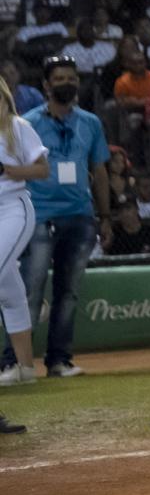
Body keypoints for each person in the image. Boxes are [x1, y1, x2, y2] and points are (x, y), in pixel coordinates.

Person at [1, 56, 109, 379]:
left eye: (71, 77)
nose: (67, 83)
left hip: (79, 214)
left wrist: (104, 215)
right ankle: (14, 362)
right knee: (30, 288)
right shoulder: (27, 121)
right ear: (46, 86)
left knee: (68, 293)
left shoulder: (90, 122)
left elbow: (99, 169)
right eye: (59, 78)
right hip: (39, 215)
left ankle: (58, 361)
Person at [0, 78, 50, 387]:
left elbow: (42, 169)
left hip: (14, 207)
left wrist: (7, 170)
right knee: (9, 291)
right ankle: (25, 368)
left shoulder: (16, 126)